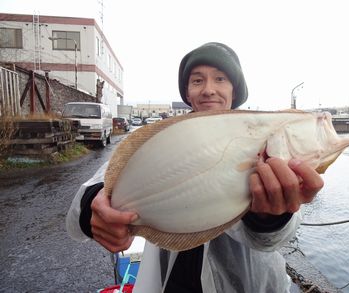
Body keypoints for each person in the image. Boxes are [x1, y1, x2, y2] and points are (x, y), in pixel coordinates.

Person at [66, 42, 324, 293]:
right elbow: (100, 184)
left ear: (235, 90)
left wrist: (271, 216)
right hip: (172, 282)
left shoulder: (261, 137)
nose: (209, 90)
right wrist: (95, 206)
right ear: (188, 92)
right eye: (198, 80)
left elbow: (273, 239)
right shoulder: (164, 137)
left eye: (220, 78)